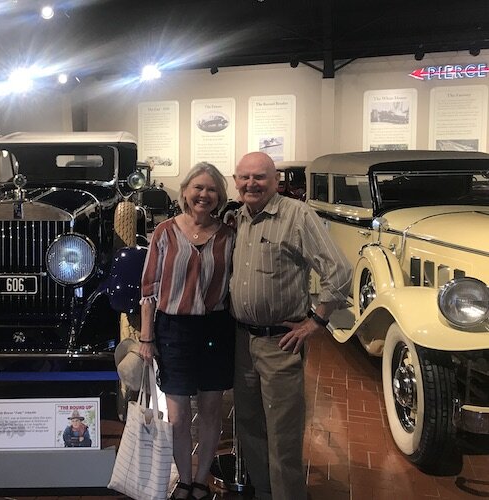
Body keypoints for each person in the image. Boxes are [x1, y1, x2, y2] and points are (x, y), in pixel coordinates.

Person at [229, 152, 352, 500]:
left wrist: (317, 321)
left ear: (276, 181)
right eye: (244, 177)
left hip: (280, 344)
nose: (251, 183)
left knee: (283, 431)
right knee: (250, 425)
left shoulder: (296, 216)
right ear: (235, 182)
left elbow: (339, 271)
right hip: (240, 341)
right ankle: (265, 491)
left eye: (260, 177)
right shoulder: (236, 218)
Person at [139, 162, 236, 500]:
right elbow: (149, 288)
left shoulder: (228, 236)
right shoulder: (165, 232)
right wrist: (146, 338)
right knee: (179, 414)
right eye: (198, 188)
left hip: (215, 329)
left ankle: (201, 477)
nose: (204, 195)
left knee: (210, 409)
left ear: (220, 197)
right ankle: (183, 478)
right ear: (185, 193)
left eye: (212, 190)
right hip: (173, 330)